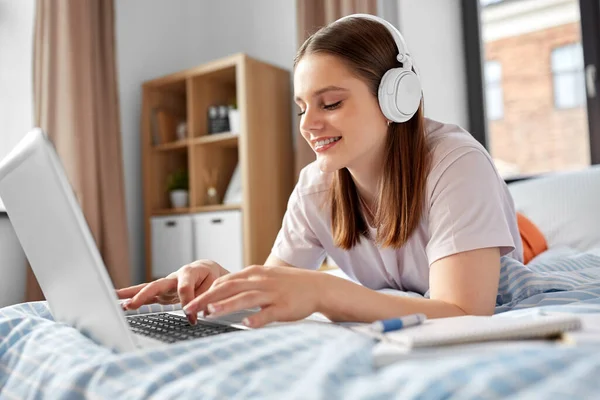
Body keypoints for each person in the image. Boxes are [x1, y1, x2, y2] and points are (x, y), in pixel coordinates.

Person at [117, 14, 523, 328]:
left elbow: (464, 313)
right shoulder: (315, 188)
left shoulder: (457, 164)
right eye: (301, 107)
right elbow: (281, 284)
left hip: (502, 252)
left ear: (397, 98)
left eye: (329, 104)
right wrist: (219, 280)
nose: (307, 125)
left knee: (532, 237)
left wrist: (328, 291)